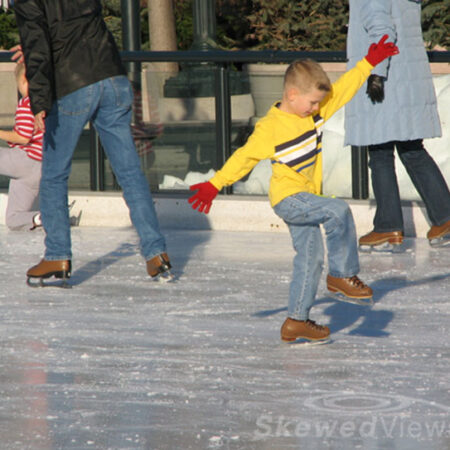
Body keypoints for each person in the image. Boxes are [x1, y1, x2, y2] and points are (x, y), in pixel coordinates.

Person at [188, 36, 399, 344]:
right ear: (291, 94)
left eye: (318, 103)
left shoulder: (313, 113)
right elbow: (243, 157)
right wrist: (214, 183)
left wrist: (367, 63)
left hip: (307, 198)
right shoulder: (270, 128)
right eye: (312, 102)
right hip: (289, 199)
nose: (317, 107)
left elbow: (342, 90)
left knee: (310, 258)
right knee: (337, 209)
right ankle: (341, 274)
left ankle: (296, 321)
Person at [12, 0, 171, 286]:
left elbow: (38, 48)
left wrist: (38, 102)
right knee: (130, 173)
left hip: (74, 86)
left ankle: (57, 255)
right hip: (112, 78)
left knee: (54, 175)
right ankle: (156, 252)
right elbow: (74, 28)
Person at [345, 0, 450, 250]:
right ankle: (445, 217)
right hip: (405, 84)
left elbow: (382, 32)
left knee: (380, 153)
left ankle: (387, 227)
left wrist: (376, 76)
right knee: (412, 150)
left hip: (386, 84)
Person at [0, 61, 42, 231]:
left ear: (24, 81)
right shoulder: (49, 104)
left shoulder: (28, 103)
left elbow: (23, 138)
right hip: (39, 168)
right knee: (13, 218)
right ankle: (40, 218)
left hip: (25, 159)